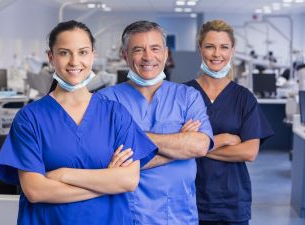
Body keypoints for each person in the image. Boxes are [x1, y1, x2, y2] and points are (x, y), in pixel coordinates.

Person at [0, 20, 157, 225]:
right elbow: (35, 191)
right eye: (64, 53)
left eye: (82, 52)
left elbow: (128, 180)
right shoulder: (30, 118)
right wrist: (106, 181)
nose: (74, 61)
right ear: (51, 58)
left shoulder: (115, 114)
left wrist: (63, 174)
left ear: (92, 55)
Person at [98, 20, 214, 225]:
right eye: (138, 49)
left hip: (179, 216)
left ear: (166, 53)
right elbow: (103, 161)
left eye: (155, 48)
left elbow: (200, 145)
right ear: (124, 55)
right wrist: (178, 146)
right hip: (126, 215)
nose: (148, 57)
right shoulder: (105, 100)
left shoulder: (188, 97)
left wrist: (132, 141)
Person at [185, 19, 274, 225]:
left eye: (224, 47)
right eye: (210, 46)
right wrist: (224, 139)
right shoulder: (183, 94)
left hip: (231, 200)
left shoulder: (244, 98)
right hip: (190, 197)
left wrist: (196, 147)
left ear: (232, 50)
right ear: (200, 49)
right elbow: (173, 146)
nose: (217, 54)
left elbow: (249, 152)